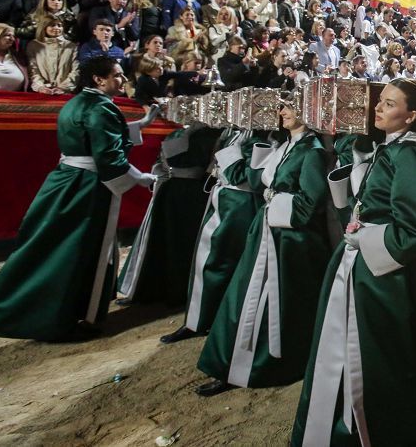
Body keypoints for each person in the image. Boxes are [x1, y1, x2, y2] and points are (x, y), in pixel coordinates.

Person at [292, 78, 416, 446]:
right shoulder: (389, 148)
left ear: (411, 116)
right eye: (380, 101)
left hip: (381, 276)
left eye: (390, 104)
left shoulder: (406, 153)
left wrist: (364, 238)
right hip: (363, 263)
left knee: (380, 357)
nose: (378, 108)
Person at [0, 57, 156, 340]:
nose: (123, 80)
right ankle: (67, 317)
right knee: (77, 249)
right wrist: (142, 179)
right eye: (118, 75)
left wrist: (139, 125)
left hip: (65, 180)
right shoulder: (101, 109)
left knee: (49, 244)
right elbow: (109, 158)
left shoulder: (77, 102)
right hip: (86, 186)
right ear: (99, 79)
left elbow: (90, 134)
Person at [196, 99, 331, 396]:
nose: (282, 112)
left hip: (289, 242)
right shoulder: (287, 146)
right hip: (267, 231)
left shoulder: (313, 152)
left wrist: (275, 203)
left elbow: (311, 204)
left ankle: (264, 365)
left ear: (309, 112)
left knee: (274, 303)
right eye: (282, 107)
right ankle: (234, 364)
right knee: (247, 296)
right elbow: (258, 181)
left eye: (290, 108)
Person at [161, 126, 264, 344]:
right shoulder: (233, 132)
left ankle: (207, 321)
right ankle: (199, 319)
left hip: (239, 203)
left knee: (218, 261)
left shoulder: (260, 136)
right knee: (206, 260)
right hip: (224, 197)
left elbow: (244, 177)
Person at [117, 121, 220, 306]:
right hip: (192, 193)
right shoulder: (209, 136)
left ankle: (167, 289)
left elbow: (163, 163)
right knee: (175, 240)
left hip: (176, 191)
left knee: (169, 240)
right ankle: (175, 290)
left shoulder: (182, 134)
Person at [26, 18, 78, 94]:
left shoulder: (71, 46)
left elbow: (76, 70)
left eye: (59, 25)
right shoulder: (34, 45)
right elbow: (32, 70)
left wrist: (63, 87)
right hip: (40, 92)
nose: (56, 28)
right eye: (52, 25)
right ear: (44, 27)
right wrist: (40, 87)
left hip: (65, 92)